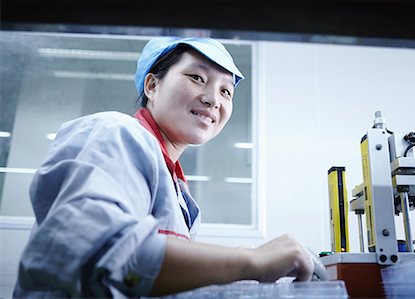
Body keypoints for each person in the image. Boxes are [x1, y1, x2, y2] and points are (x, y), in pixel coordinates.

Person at [13, 37, 318, 298]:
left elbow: (152, 279)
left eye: (226, 91)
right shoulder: (114, 132)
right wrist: (249, 260)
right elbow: (97, 252)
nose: (213, 99)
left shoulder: (178, 191)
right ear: (152, 85)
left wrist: (244, 268)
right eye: (197, 77)